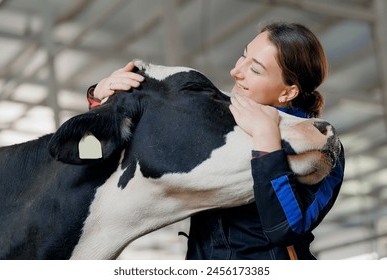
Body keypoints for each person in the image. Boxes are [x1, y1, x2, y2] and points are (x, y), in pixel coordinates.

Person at [86, 21, 345, 260]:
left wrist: (267, 139)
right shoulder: (222, 117)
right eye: (243, 55)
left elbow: (285, 228)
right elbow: (135, 149)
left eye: (254, 69)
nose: (236, 71)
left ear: (288, 91)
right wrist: (101, 98)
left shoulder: (320, 144)